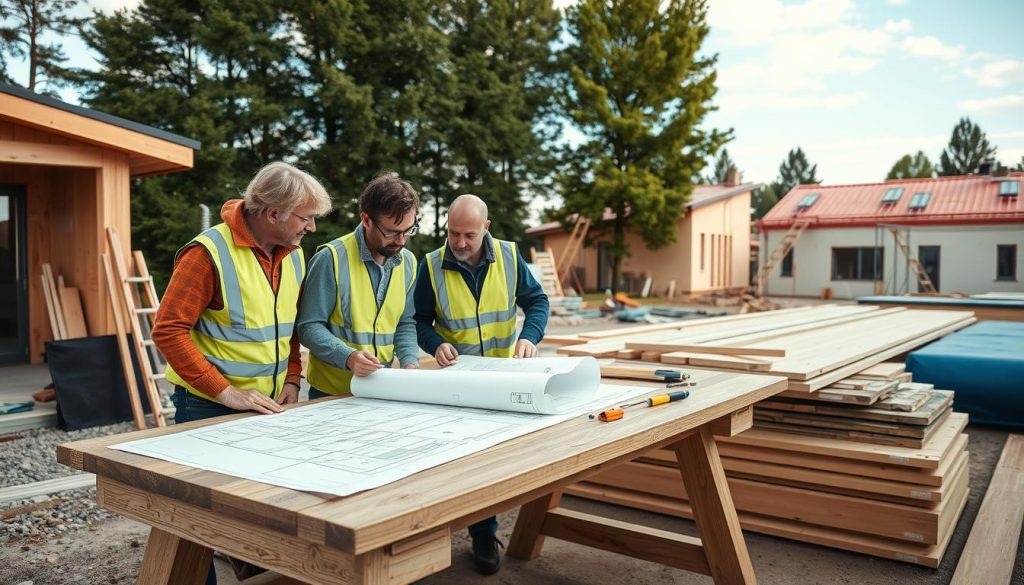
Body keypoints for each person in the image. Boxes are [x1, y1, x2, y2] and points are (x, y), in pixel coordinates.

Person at [153, 161, 332, 584]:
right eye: (305, 218)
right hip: (205, 406)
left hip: (266, 407)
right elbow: (168, 330)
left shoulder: (293, 254)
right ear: (274, 214)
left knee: (259, 512)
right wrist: (223, 390)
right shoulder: (207, 253)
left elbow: (288, 326)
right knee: (197, 520)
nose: (310, 228)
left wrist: (292, 378)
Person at [414, 193, 549, 575]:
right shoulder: (431, 265)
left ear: (485, 228)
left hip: (502, 378)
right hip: (456, 384)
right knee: (457, 460)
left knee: (494, 462)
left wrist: (530, 336)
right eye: (453, 233)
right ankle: (459, 534)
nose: (459, 243)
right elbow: (419, 319)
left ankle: (483, 531)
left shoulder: (508, 256)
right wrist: (435, 342)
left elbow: (537, 301)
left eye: (468, 235)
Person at [298, 172, 421, 398]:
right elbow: (308, 327)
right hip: (330, 395)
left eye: (408, 230)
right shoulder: (330, 258)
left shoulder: (409, 263)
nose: (402, 240)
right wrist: (348, 357)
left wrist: (410, 362)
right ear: (366, 220)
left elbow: (405, 323)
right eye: (392, 232)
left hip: (381, 390)